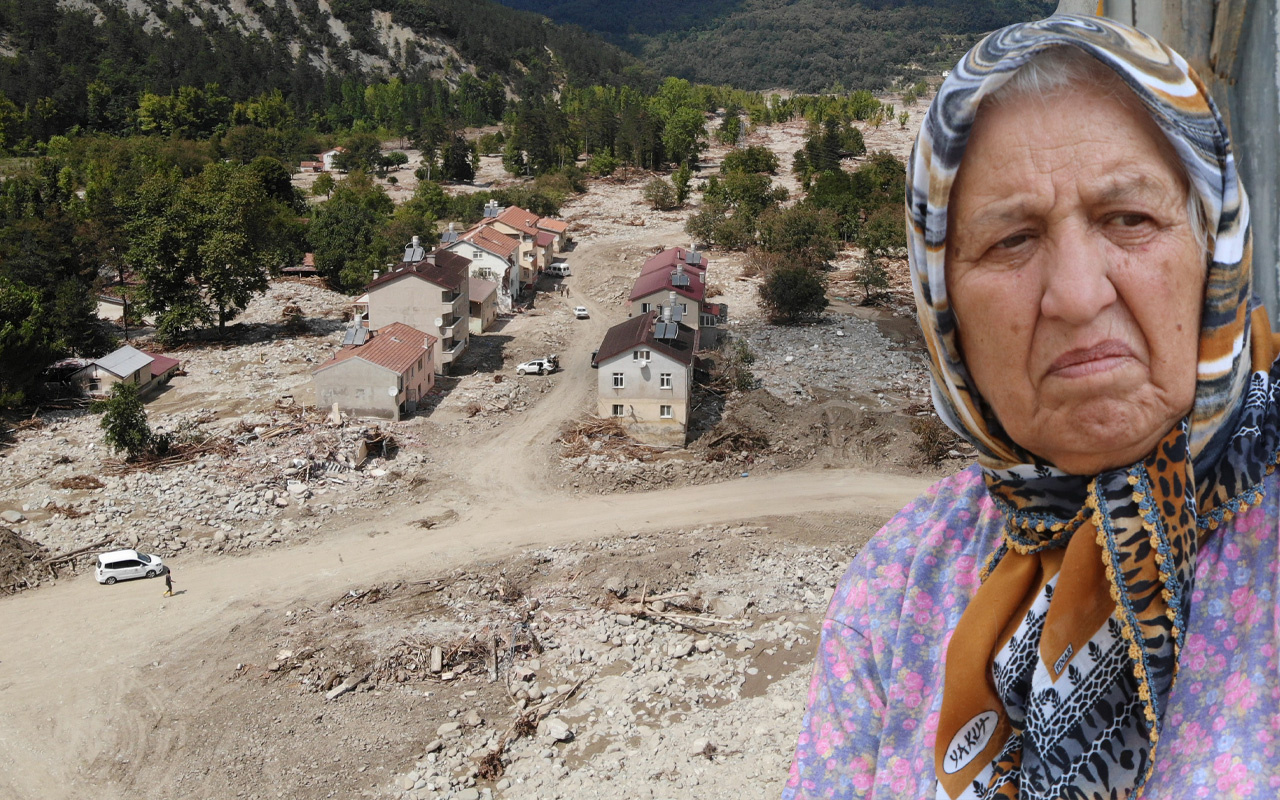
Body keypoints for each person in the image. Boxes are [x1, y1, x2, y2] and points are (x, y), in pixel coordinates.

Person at [784, 15, 1277, 799]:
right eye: (1012, 240)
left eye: (1130, 219)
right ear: (945, 314)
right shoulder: (897, 586)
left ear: (1212, 249)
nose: (1079, 295)